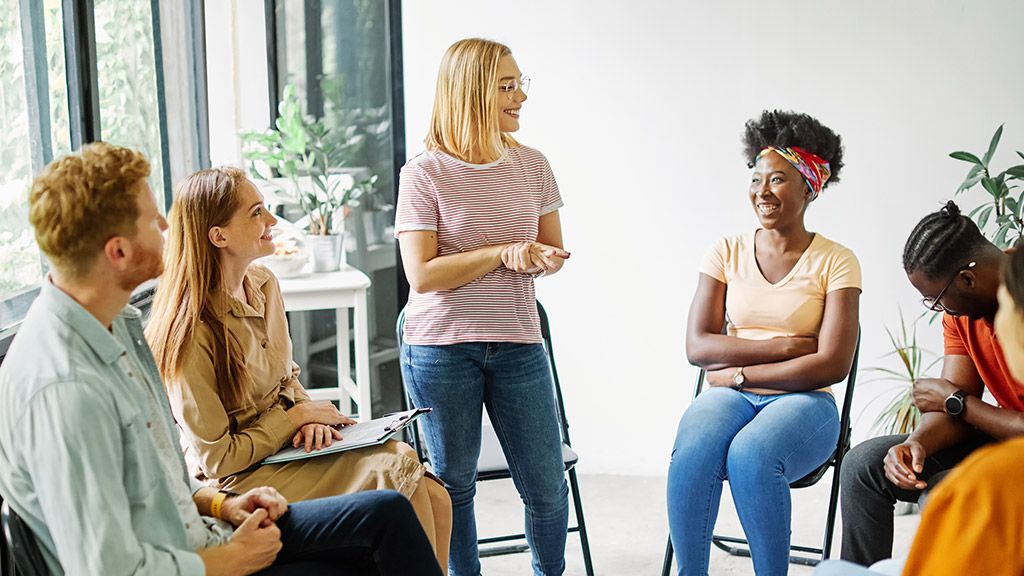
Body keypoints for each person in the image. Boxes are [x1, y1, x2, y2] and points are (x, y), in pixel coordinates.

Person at [0, 142, 443, 575]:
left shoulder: (117, 328)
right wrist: (228, 561)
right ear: (117, 252)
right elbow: (108, 566)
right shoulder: (66, 388)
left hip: (206, 527)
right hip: (202, 555)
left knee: (398, 506)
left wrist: (221, 505)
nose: (164, 222)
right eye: (150, 219)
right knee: (391, 509)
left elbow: (159, 482)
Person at [144, 166, 451, 570]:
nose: (272, 221)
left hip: (285, 451)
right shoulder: (190, 334)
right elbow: (218, 460)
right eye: (256, 213)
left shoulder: (264, 284)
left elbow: (286, 379)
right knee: (400, 465)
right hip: (239, 478)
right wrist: (295, 418)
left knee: (436, 495)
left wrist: (307, 419)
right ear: (218, 236)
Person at [395, 38, 571, 576]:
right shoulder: (423, 173)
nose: (521, 96)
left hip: (519, 343)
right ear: (471, 91)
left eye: (521, 83)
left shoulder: (534, 166)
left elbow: (551, 252)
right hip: (441, 348)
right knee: (455, 484)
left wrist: (541, 258)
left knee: (546, 483)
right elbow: (421, 274)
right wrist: (502, 254)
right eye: (507, 85)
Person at [667, 110, 861, 575]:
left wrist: (738, 372)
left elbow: (832, 364)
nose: (762, 191)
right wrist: (784, 348)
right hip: (732, 394)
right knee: (692, 453)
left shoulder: (837, 261)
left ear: (810, 186)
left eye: (778, 180)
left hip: (805, 402)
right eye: (756, 179)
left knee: (753, 455)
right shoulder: (725, 251)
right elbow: (697, 347)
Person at [815, 234, 1024, 576]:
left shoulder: (1020, 287)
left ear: (967, 280)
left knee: (947, 493)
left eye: (936, 299)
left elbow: (954, 401)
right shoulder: (962, 314)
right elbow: (951, 409)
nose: (939, 309)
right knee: (862, 465)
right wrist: (916, 444)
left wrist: (957, 402)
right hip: (1001, 435)